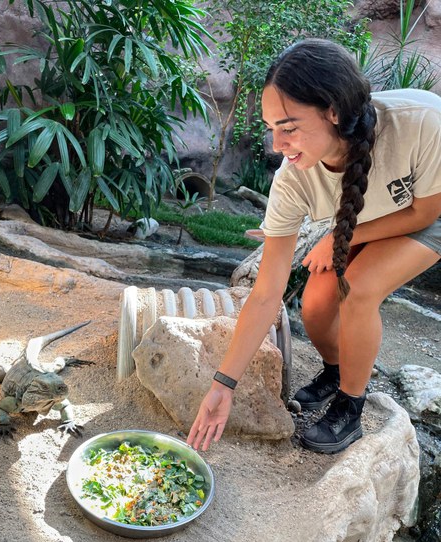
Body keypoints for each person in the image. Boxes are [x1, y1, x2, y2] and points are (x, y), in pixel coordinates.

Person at [187, 39, 441, 454]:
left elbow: (425, 213)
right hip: (359, 217)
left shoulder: (422, 122)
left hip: (424, 211)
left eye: (288, 127)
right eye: (271, 129)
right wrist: (223, 384)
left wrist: (340, 238)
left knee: (356, 290)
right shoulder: (292, 179)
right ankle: (336, 371)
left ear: (334, 111)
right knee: (317, 303)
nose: (276, 145)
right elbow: (267, 292)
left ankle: (350, 406)